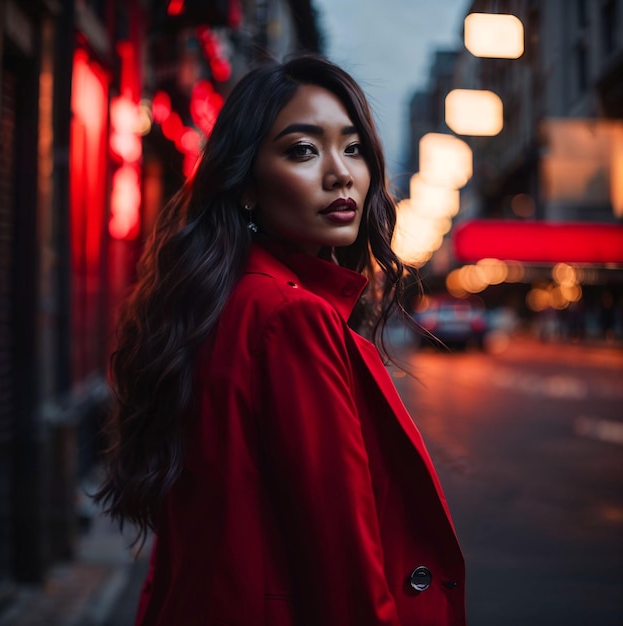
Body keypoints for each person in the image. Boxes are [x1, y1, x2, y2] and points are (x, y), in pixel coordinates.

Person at [95, 54, 466, 626]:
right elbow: (344, 567)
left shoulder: (214, 302)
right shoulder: (290, 317)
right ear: (246, 183)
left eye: (353, 148)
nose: (341, 173)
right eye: (302, 149)